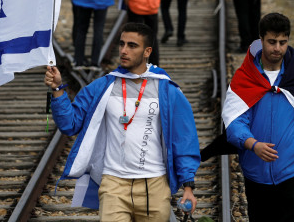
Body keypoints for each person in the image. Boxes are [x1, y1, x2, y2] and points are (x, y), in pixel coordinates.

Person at [44, 22, 200, 219]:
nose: (124, 50)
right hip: (113, 185)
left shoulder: (167, 91)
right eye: (122, 44)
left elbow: (184, 140)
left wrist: (188, 186)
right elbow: (70, 123)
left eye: (132, 45)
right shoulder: (102, 87)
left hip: (154, 185)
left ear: (147, 51)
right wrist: (58, 90)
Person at [223, 13, 294, 222]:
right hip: (256, 174)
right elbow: (235, 122)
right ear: (261, 39)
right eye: (272, 42)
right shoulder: (245, 77)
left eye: (283, 42)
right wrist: (253, 144)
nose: (277, 48)